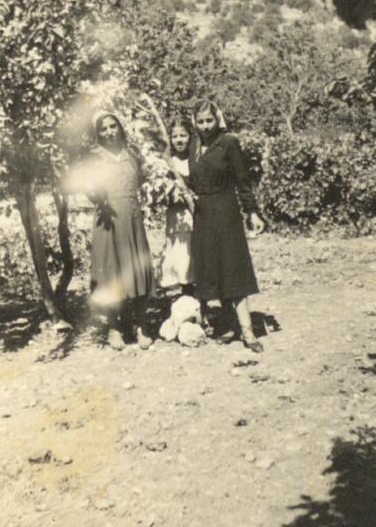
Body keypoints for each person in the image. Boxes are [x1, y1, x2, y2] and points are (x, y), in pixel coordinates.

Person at [188, 100, 265, 353]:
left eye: (209, 120)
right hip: (203, 215)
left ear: (217, 119)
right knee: (214, 267)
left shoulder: (229, 142)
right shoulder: (193, 146)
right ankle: (230, 325)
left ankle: (248, 331)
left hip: (226, 211)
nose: (205, 126)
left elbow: (242, 180)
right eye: (200, 121)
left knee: (233, 268)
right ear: (194, 122)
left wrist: (252, 211)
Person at [86, 112, 155, 351]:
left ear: (120, 128)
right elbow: (90, 193)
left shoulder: (133, 154)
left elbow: (143, 181)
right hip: (107, 220)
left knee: (136, 267)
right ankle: (114, 327)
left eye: (113, 126)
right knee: (111, 270)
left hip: (132, 217)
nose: (109, 132)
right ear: (98, 133)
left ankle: (141, 325)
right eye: (103, 129)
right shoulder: (94, 158)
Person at [160, 118, 196, 296]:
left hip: (196, 213)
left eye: (183, 135)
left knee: (194, 253)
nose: (179, 140)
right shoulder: (168, 163)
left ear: (190, 137)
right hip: (178, 216)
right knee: (181, 254)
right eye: (175, 136)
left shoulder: (196, 160)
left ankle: (199, 300)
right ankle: (184, 298)